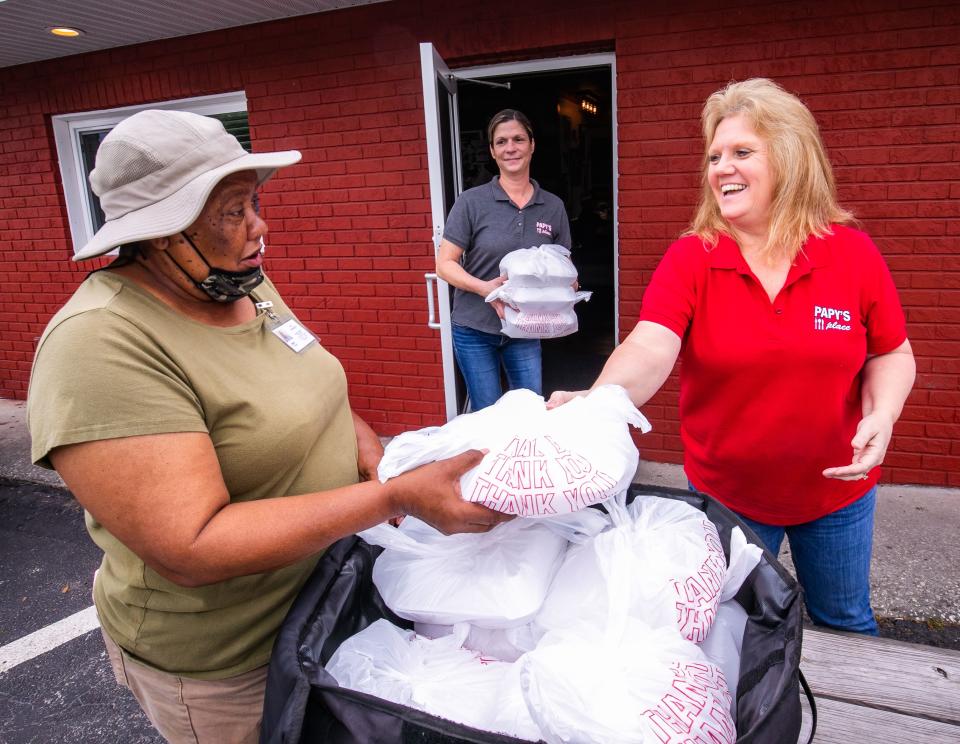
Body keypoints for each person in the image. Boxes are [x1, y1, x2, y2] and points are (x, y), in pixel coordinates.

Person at [26, 109, 510, 743]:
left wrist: (369, 454)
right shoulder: (101, 342)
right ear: (163, 231)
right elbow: (192, 546)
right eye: (233, 211)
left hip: (322, 600)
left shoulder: (233, 283)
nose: (260, 226)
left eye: (253, 202)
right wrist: (390, 497)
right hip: (228, 661)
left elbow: (311, 387)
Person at [549, 78, 916, 635]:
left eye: (742, 152)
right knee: (736, 635)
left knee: (846, 626)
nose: (722, 167)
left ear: (791, 159)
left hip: (838, 491)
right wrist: (600, 399)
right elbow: (650, 344)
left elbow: (892, 352)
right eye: (715, 156)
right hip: (729, 499)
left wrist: (883, 414)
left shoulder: (851, 254)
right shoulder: (692, 258)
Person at [436, 109, 572, 411]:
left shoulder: (552, 206)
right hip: (475, 328)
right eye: (501, 142)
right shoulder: (471, 202)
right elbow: (444, 264)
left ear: (532, 145)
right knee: (486, 414)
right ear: (492, 151)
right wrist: (486, 289)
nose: (510, 147)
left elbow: (564, 263)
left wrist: (566, 285)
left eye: (518, 139)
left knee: (529, 409)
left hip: (527, 328)